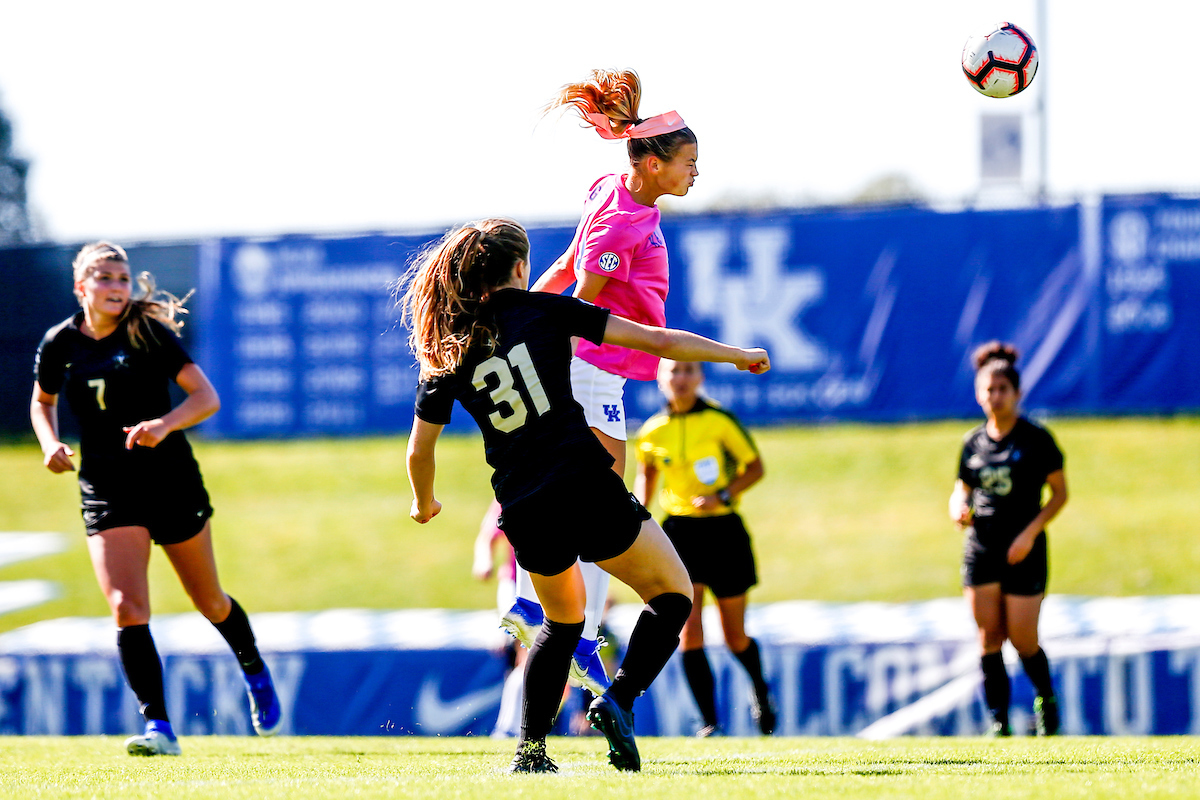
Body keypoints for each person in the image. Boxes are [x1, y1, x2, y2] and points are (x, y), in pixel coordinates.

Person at [401, 219, 768, 773]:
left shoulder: (449, 350)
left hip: (523, 506)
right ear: (521, 269)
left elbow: (419, 450)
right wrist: (736, 354)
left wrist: (422, 501)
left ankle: (529, 754)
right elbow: (658, 341)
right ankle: (617, 700)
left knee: (561, 623)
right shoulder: (549, 312)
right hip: (583, 483)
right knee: (672, 595)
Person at [30, 242, 281, 756]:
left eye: (122, 278)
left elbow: (205, 397)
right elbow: (42, 401)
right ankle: (159, 729)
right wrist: (50, 442)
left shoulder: (148, 333)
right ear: (82, 287)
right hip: (104, 486)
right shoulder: (60, 343)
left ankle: (253, 669)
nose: (116, 287)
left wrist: (164, 425)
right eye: (104, 278)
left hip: (169, 481)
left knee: (208, 600)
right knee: (127, 606)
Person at [502, 69, 700, 699]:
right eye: (689, 162)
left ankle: (555, 616)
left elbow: (564, 266)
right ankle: (546, 613)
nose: (696, 172)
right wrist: (536, 326)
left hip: (597, 369)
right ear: (650, 162)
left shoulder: (610, 190)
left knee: (591, 502)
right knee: (597, 502)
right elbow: (584, 297)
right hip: (593, 368)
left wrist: (523, 309)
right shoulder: (627, 222)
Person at [634, 359, 775, 737]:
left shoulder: (719, 421)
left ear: (700, 377)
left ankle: (761, 691)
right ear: (660, 380)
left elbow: (755, 466)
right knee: (688, 630)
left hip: (724, 532)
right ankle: (709, 722)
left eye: (689, 371)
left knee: (734, 635)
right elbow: (645, 481)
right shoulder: (652, 431)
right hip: (679, 534)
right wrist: (635, 520)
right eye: (673, 372)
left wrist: (724, 494)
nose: (681, 379)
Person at [948, 342, 1068, 737]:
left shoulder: (1036, 440)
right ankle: (998, 722)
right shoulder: (972, 443)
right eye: (988, 389)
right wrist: (957, 505)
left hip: (1024, 550)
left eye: (1003, 389)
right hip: (982, 547)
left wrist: (1030, 534)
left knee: (1022, 638)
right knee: (989, 637)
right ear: (978, 393)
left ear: (1017, 393)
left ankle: (1045, 699)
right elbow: (962, 486)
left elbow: (1060, 494)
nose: (995, 396)